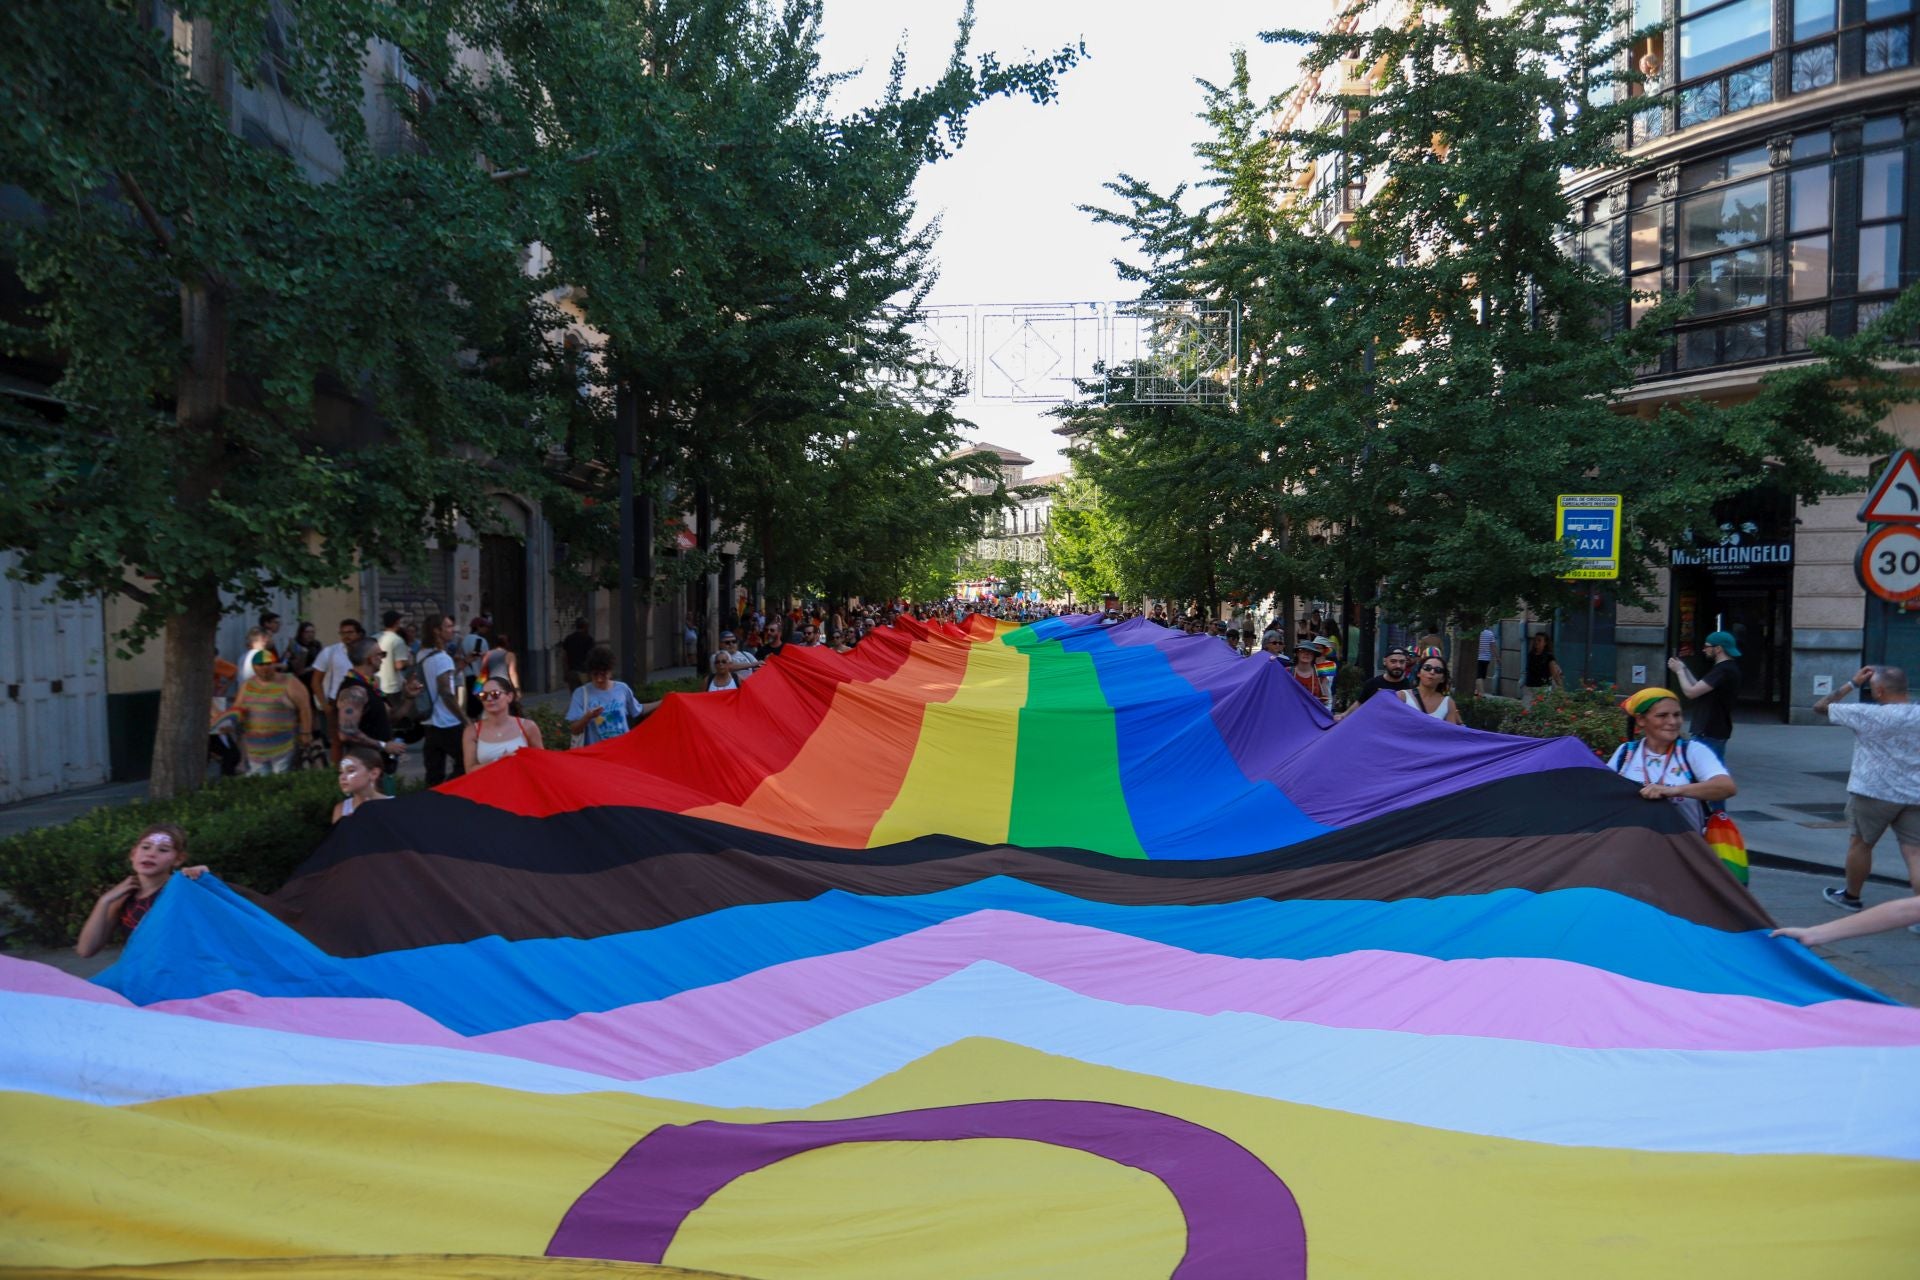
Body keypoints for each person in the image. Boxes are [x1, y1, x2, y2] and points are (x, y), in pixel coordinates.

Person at [1811, 664, 1920, 916]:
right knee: (1915, 853)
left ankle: (1851, 897)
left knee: (1861, 844)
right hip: (1914, 793)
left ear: (1879, 691)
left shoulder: (1866, 714)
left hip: (1873, 793)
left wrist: (1853, 683)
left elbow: (1819, 707)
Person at [1606, 688, 1736, 833]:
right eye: (1662, 715)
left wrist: (1673, 790)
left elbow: (1726, 787)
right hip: (1634, 844)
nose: (1672, 722)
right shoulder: (1626, 752)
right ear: (1641, 720)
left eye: (1677, 715)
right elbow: (1605, 791)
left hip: (1685, 847)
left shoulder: (1693, 751)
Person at [75, 825, 209, 958]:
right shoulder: (123, 899)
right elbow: (85, 950)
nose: (151, 854)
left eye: (163, 850)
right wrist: (104, 901)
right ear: (133, 854)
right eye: (145, 847)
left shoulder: (184, 888)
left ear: (178, 859)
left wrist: (204, 881)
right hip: (140, 975)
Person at [1666, 630, 1742, 764]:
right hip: (1714, 729)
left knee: (1707, 774)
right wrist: (1684, 668)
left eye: (1707, 646)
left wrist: (1679, 671)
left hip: (1709, 730)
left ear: (1718, 649)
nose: (1703, 649)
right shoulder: (1725, 668)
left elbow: (1691, 692)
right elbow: (1698, 687)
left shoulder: (1722, 670)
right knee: (1709, 772)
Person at [232, 650, 311, 775]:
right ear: (254, 667)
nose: (265, 668)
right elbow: (237, 709)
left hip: (284, 746)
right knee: (260, 785)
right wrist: (228, 721)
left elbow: (304, 707)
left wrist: (306, 732)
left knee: (281, 783)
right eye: (261, 665)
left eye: (268, 664)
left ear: (275, 664)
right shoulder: (247, 685)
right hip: (255, 749)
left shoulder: (289, 681)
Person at [417, 613, 467, 784]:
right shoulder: (442, 658)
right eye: (448, 627)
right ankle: (450, 792)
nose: (452, 630)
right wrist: (465, 719)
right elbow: (446, 692)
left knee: (433, 772)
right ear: (437, 631)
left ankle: (434, 802)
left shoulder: (422, 654)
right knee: (467, 762)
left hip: (430, 722)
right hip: (448, 722)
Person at [567, 645, 645, 745]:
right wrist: (588, 717)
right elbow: (574, 729)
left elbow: (638, 709)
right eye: (595, 674)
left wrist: (664, 701)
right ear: (590, 673)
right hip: (597, 754)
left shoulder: (622, 688)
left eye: (603, 674)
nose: (599, 679)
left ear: (610, 672)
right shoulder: (581, 694)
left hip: (623, 749)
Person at [464, 676, 543, 771]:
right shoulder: (472, 731)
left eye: (495, 694)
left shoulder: (528, 726)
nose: (489, 699)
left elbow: (541, 761)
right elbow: (469, 770)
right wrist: (499, 762)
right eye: (483, 695)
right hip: (489, 784)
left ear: (509, 697)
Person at [1398, 652, 1465, 724]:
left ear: (1443, 678)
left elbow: (1451, 732)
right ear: (1418, 673)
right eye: (1427, 668)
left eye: (1438, 670)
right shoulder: (1402, 696)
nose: (1432, 672)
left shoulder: (1448, 703)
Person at [331, 746, 393, 823]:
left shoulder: (394, 806)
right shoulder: (341, 809)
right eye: (341, 772)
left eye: (351, 771)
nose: (342, 777)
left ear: (374, 773)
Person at [375, 610, 412, 709]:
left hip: (376, 684)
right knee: (393, 714)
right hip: (391, 687)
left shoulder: (374, 638)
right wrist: (409, 662)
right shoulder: (397, 640)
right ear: (397, 622)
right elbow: (399, 665)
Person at [1521, 632, 1562, 707]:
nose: (1536, 642)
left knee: (1540, 710)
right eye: (1535, 640)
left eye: (1539, 640)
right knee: (1525, 710)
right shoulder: (1531, 654)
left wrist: (1560, 688)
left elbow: (1555, 674)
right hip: (1529, 688)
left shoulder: (1549, 656)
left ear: (1545, 643)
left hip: (1542, 688)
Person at [558, 618, 595, 691]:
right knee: (586, 695)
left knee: (575, 696)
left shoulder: (569, 639)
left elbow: (564, 657)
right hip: (584, 672)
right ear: (585, 626)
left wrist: (565, 672)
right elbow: (591, 657)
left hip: (572, 672)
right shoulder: (589, 639)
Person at [1476, 627, 1496, 695]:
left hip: (1478, 658)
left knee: (1478, 677)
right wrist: (1497, 657)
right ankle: (1479, 693)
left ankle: (1482, 693)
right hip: (1486, 659)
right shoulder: (1490, 633)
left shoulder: (1477, 633)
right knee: (1482, 677)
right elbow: (1493, 647)